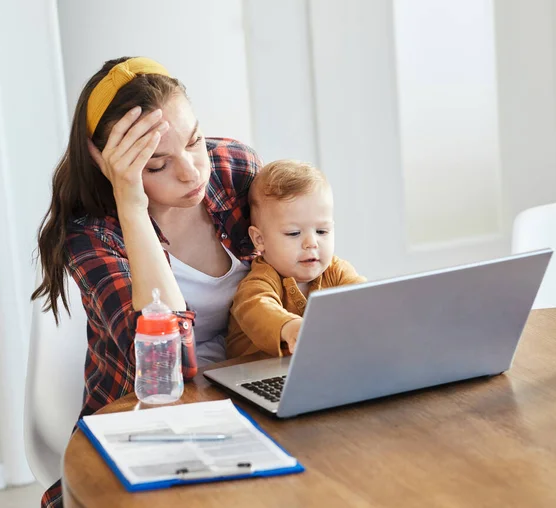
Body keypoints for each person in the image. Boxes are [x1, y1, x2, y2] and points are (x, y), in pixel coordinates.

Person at [32, 56, 262, 508]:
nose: (192, 172)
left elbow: (300, 273)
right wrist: (132, 210)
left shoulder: (234, 168)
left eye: (194, 142)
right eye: (157, 165)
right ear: (112, 168)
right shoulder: (91, 235)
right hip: (147, 425)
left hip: (246, 399)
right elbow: (167, 370)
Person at [226, 160, 366, 358]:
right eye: (293, 233)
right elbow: (257, 308)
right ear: (259, 239)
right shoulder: (259, 282)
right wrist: (290, 327)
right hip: (252, 373)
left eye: (321, 231)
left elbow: (365, 297)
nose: (311, 243)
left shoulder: (336, 271)